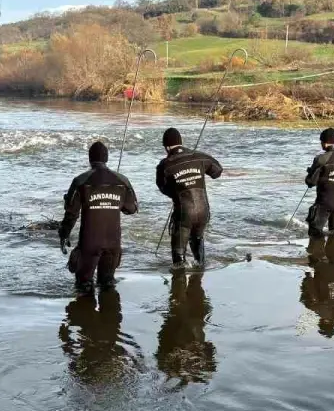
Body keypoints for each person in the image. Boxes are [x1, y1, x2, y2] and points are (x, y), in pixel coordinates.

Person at [59, 140, 138, 294]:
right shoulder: (123, 181)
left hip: (89, 244)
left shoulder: (80, 181)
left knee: (84, 287)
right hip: (113, 244)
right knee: (108, 285)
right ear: (106, 159)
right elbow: (131, 209)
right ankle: (110, 314)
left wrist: (64, 234)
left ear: (90, 159)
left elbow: (71, 214)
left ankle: (85, 314)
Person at [155, 127, 223, 267]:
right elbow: (217, 171)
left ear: (167, 147)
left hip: (184, 213)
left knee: (178, 259)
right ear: (181, 142)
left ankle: (179, 281)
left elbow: (162, 188)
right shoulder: (200, 156)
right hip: (204, 211)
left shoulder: (165, 165)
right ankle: (199, 274)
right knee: (197, 241)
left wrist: (177, 191)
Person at [155, 271, 216, 386]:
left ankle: (186, 269)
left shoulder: (169, 364)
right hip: (190, 323)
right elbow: (210, 346)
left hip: (180, 326)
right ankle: (184, 268)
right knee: (185, 283)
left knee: (186, 283)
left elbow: (210, 348)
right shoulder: (173, 364)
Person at [305, 127, 334, 238]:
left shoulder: (321, 159)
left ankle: (315, 254)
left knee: (315, 232)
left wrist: (311, 172)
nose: (320, 144)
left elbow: (310, 182)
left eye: (321, 142)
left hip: (324, 202)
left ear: (325, 143)